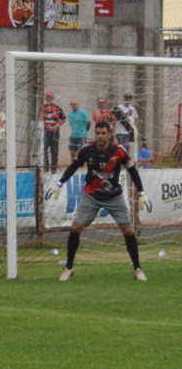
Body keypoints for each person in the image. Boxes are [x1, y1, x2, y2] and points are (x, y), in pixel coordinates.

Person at [45, 121, 152, 282]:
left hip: (114, 196)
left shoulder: (119, 151)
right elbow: (74, 167)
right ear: (95, 134)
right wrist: (59, 183)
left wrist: (142, 193)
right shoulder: (87, 150)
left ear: (110, 134)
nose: (100, 136)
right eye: (98, 133)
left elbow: (132, 171)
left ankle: (137, 268)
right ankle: (68, 267)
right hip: (92, 195)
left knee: (128, 231)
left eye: (103, 133)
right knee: (76, 227)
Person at [42, 91, 66, 174]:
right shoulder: (42, 108)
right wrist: (45, 126)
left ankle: (53, 169)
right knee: (44, 150)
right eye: (47, 97)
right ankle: (45, 168)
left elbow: (63, 118)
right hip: (45, 132)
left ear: (53, 98)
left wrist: (57, 125)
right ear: (45, 98)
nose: (49, 99)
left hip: (55, 132)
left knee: (54, 151)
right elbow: (39, 119)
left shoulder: (58, 108)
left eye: (50, 97)